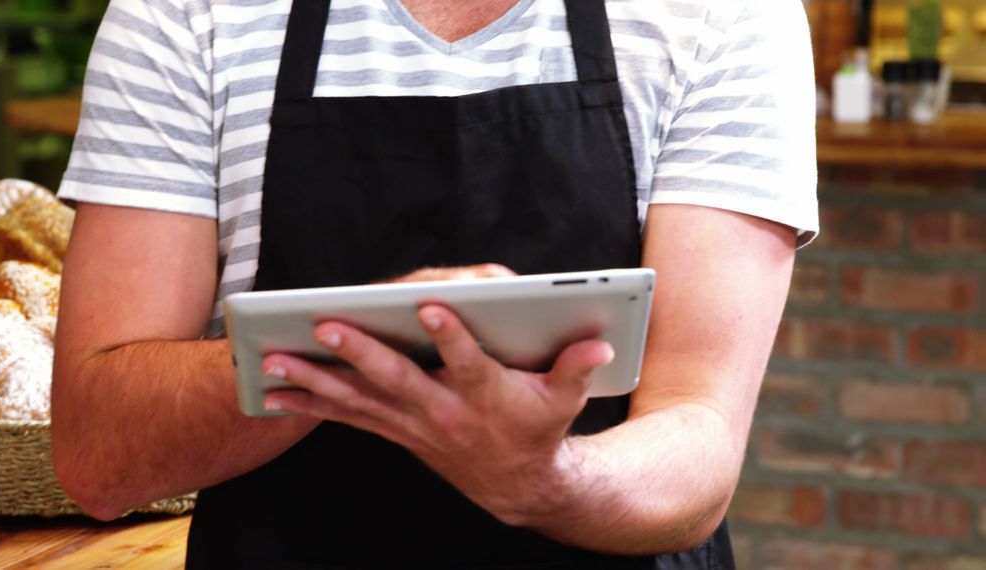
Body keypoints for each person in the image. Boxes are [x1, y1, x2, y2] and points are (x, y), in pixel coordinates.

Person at [51, 0, 818, 567]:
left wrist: (546, 482)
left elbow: (700, 439)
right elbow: (100, 453)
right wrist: (362, 344)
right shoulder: (184, 16)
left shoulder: (723, 16)